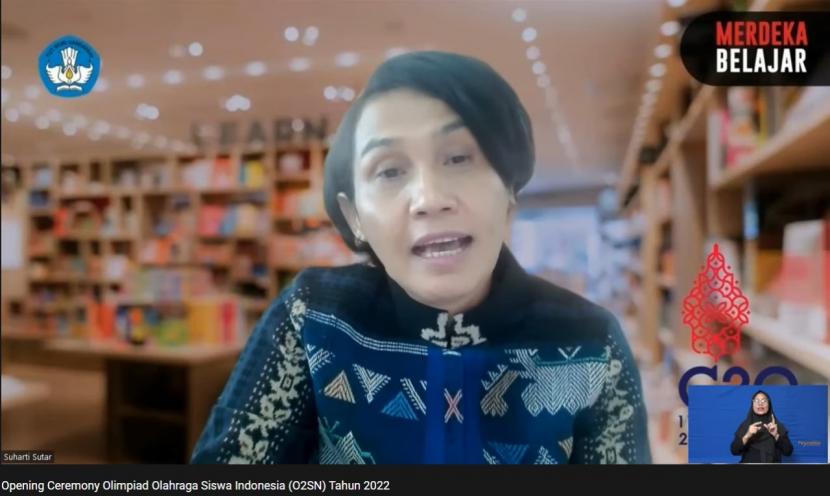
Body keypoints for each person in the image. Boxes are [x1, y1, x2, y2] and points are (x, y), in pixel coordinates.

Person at [190, 51, 651, 464]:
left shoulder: (591, 340)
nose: (429, 199)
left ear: (509, 183)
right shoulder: (313, 316)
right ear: (354, 217)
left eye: (459, 158)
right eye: (390, 170)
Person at [730, 390, 793, 463]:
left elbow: (788, 452)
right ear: (752, 405)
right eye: (757, 401)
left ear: (769, 404)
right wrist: (747, 435)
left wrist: (776, 435)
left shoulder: (776, 426)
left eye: (764, 401)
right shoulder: (745, 425)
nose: (760, 404)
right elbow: (734, 451)